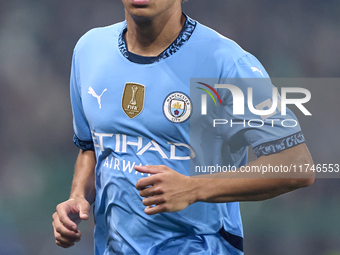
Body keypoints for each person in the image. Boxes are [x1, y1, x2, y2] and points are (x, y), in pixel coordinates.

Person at [52, 0, 314, 254]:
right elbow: (92, 147)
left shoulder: (226, 62)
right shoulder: (89, 50)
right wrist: (78, 197)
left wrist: (194, 188)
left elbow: (296, 164)